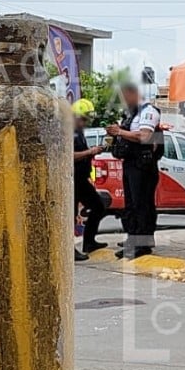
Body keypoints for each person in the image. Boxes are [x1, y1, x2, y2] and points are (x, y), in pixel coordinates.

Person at [106, 83, 161, 259]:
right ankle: (134, 240)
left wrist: (120, 132)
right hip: (130, 163)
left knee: (141, 204)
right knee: (131, 205)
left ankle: (142, 244)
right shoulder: (131, 114)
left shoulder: (149, 112)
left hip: (143, 165)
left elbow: (145, 137)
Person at [72, 98, 106, 261]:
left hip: (82, 179)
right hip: (71, 180)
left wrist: (93, 152)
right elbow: (68, 155)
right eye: (84, 119)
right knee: (70, 216)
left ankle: (89, 241)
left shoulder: (79, 132)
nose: (86, 122)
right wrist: (88, 152)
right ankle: (69, 250)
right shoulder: (67, 131)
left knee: (99, 206)